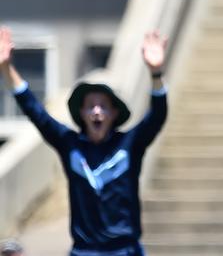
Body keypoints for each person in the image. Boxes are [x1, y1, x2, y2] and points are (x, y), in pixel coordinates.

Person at [0, 27, 168, 256]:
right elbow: (35, 112)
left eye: (103, 106)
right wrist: (6, 68)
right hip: (84, 251)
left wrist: (156, 73)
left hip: (125, 250)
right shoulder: (70, 145)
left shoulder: (130, 144)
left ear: (114, 113)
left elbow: (157, 115)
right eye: (91, 106)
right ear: (81, 113)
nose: (97, 112)